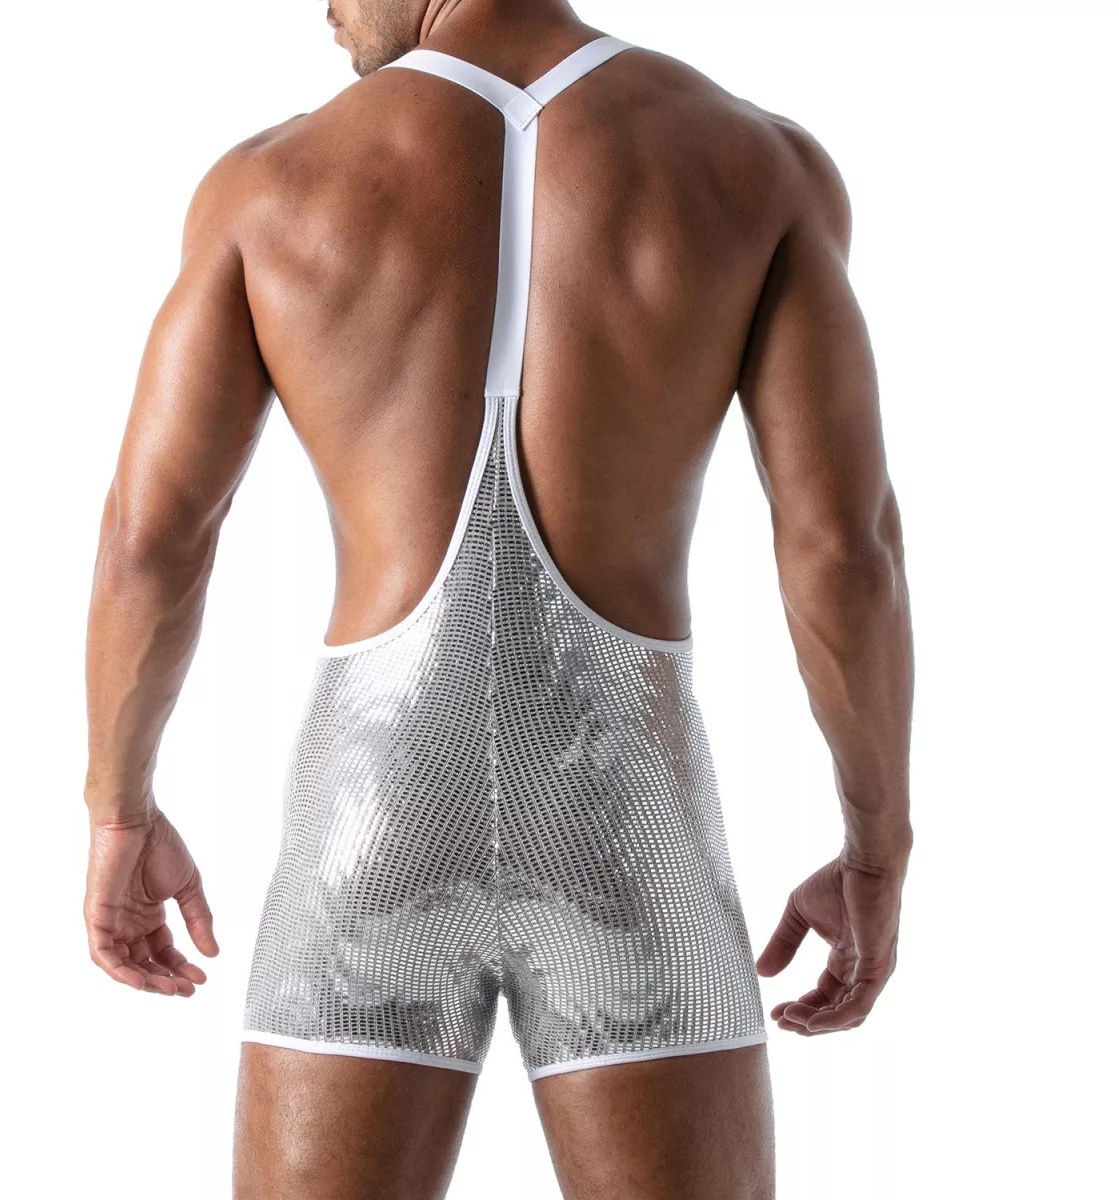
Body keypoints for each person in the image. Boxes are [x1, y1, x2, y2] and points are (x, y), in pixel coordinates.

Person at [82, 1, 913, 1195]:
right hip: (631, 826)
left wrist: (119, 812)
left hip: (370, 821)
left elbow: (149, 541)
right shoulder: (750, 163)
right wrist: (876, 847)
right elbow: (843, 549)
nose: (323, 8)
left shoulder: (271, 186)